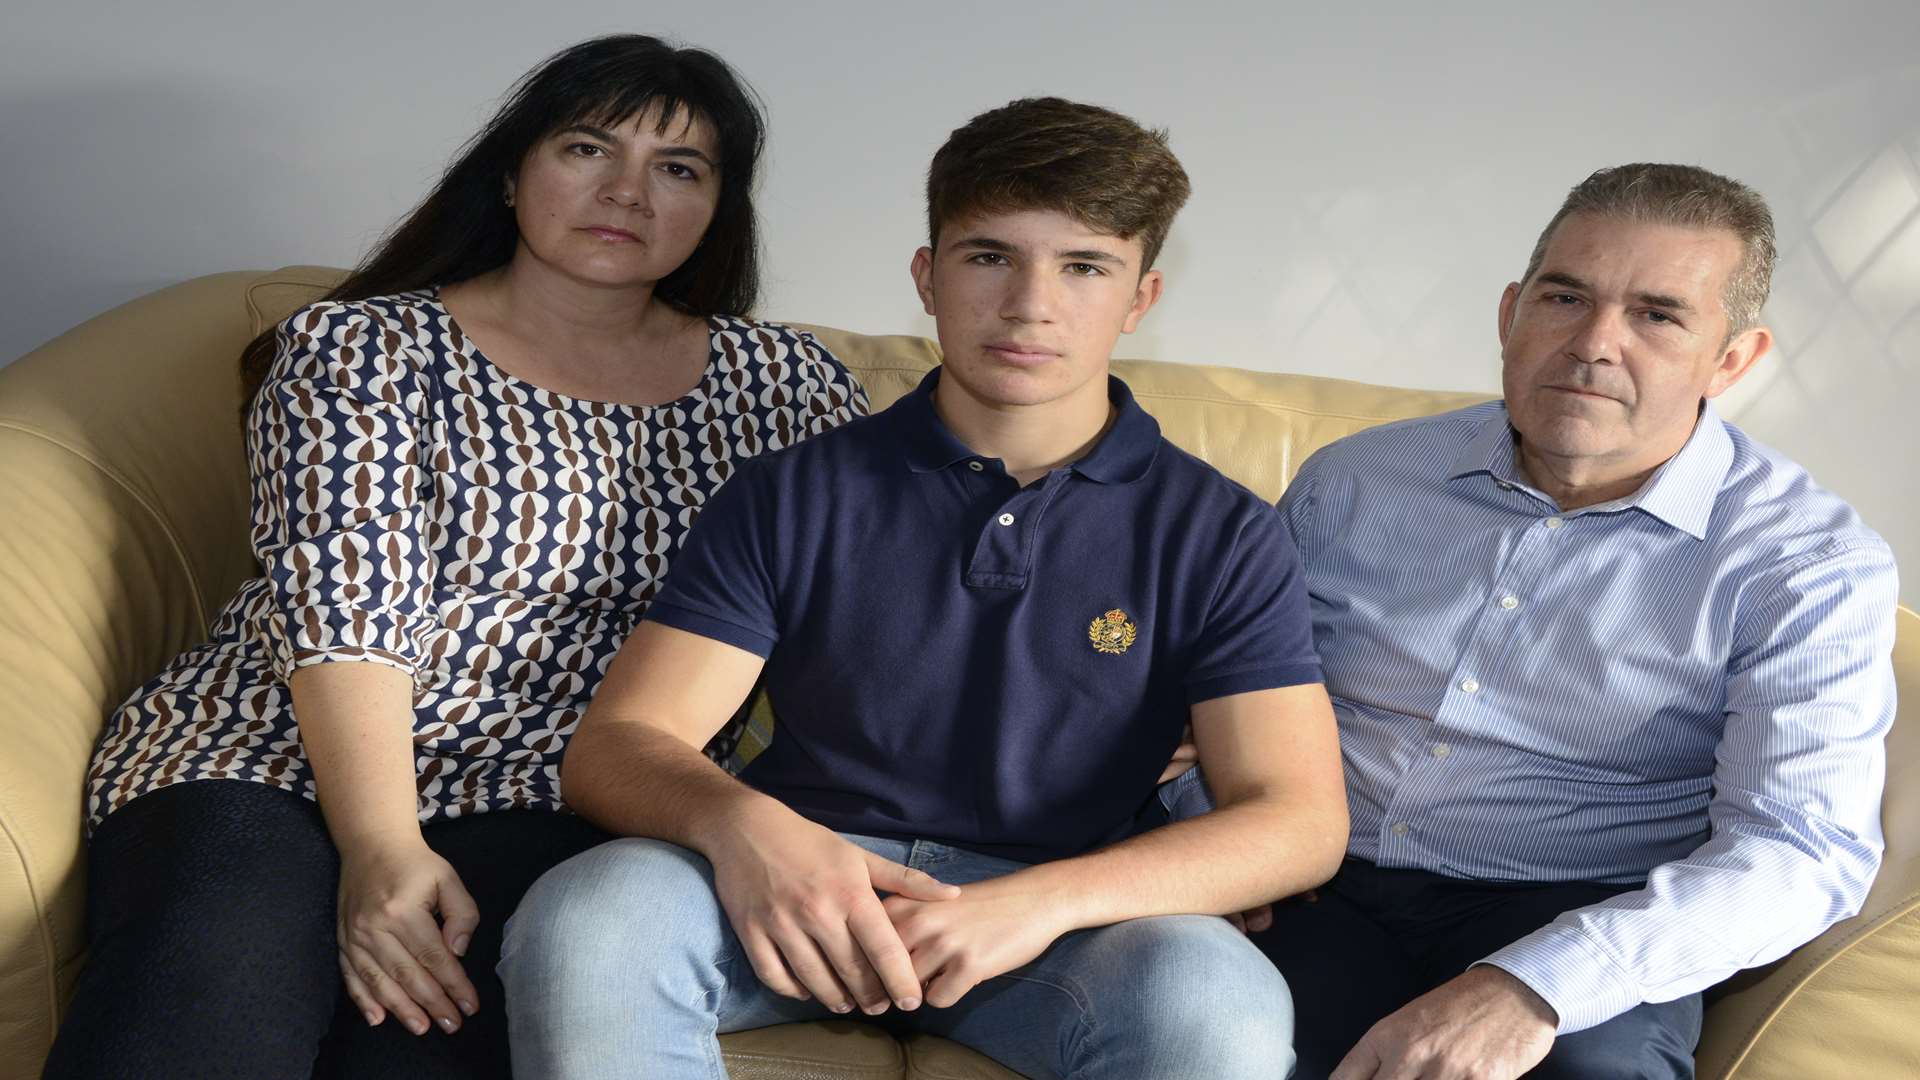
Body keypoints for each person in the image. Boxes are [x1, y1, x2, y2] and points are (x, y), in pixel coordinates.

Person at [45, 34, 867, 1080]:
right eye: (586, 149)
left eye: (679, 169)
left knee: (420, 1045)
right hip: (275, 760)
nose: (627, 192)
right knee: (204, 1010)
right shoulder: (362, 349)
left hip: (558, 797)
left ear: (719, 207)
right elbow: (349, 604)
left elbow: (885, 586)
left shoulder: (784, 383)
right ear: (512, 176)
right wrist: (383, 848)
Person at [497, 96, 1349, 1079]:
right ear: (927, 276)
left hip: (1055, 920)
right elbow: (617, 747)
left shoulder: (1221, 530)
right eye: (989, 256)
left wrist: (1046, 902)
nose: (1030, 305)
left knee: (1214, 995)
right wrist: (750, 830)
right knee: (589, 918)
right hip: (794, 888)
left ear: (1141, 298)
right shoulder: (793, 491)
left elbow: (1297, 819)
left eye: (1083, 267)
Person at [1218, 163, 1898, 1079]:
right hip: (1312, 886)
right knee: (1188, 1026)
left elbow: (1799, 851)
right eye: (1565, 296)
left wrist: (1533, 986)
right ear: (1510, 314)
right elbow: (1222, 696)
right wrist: (1210, 842)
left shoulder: (1806, 564)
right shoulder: (1355, 482)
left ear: (1731, 358)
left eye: (1658, 314)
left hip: (1578, 911)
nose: (1593, 343)